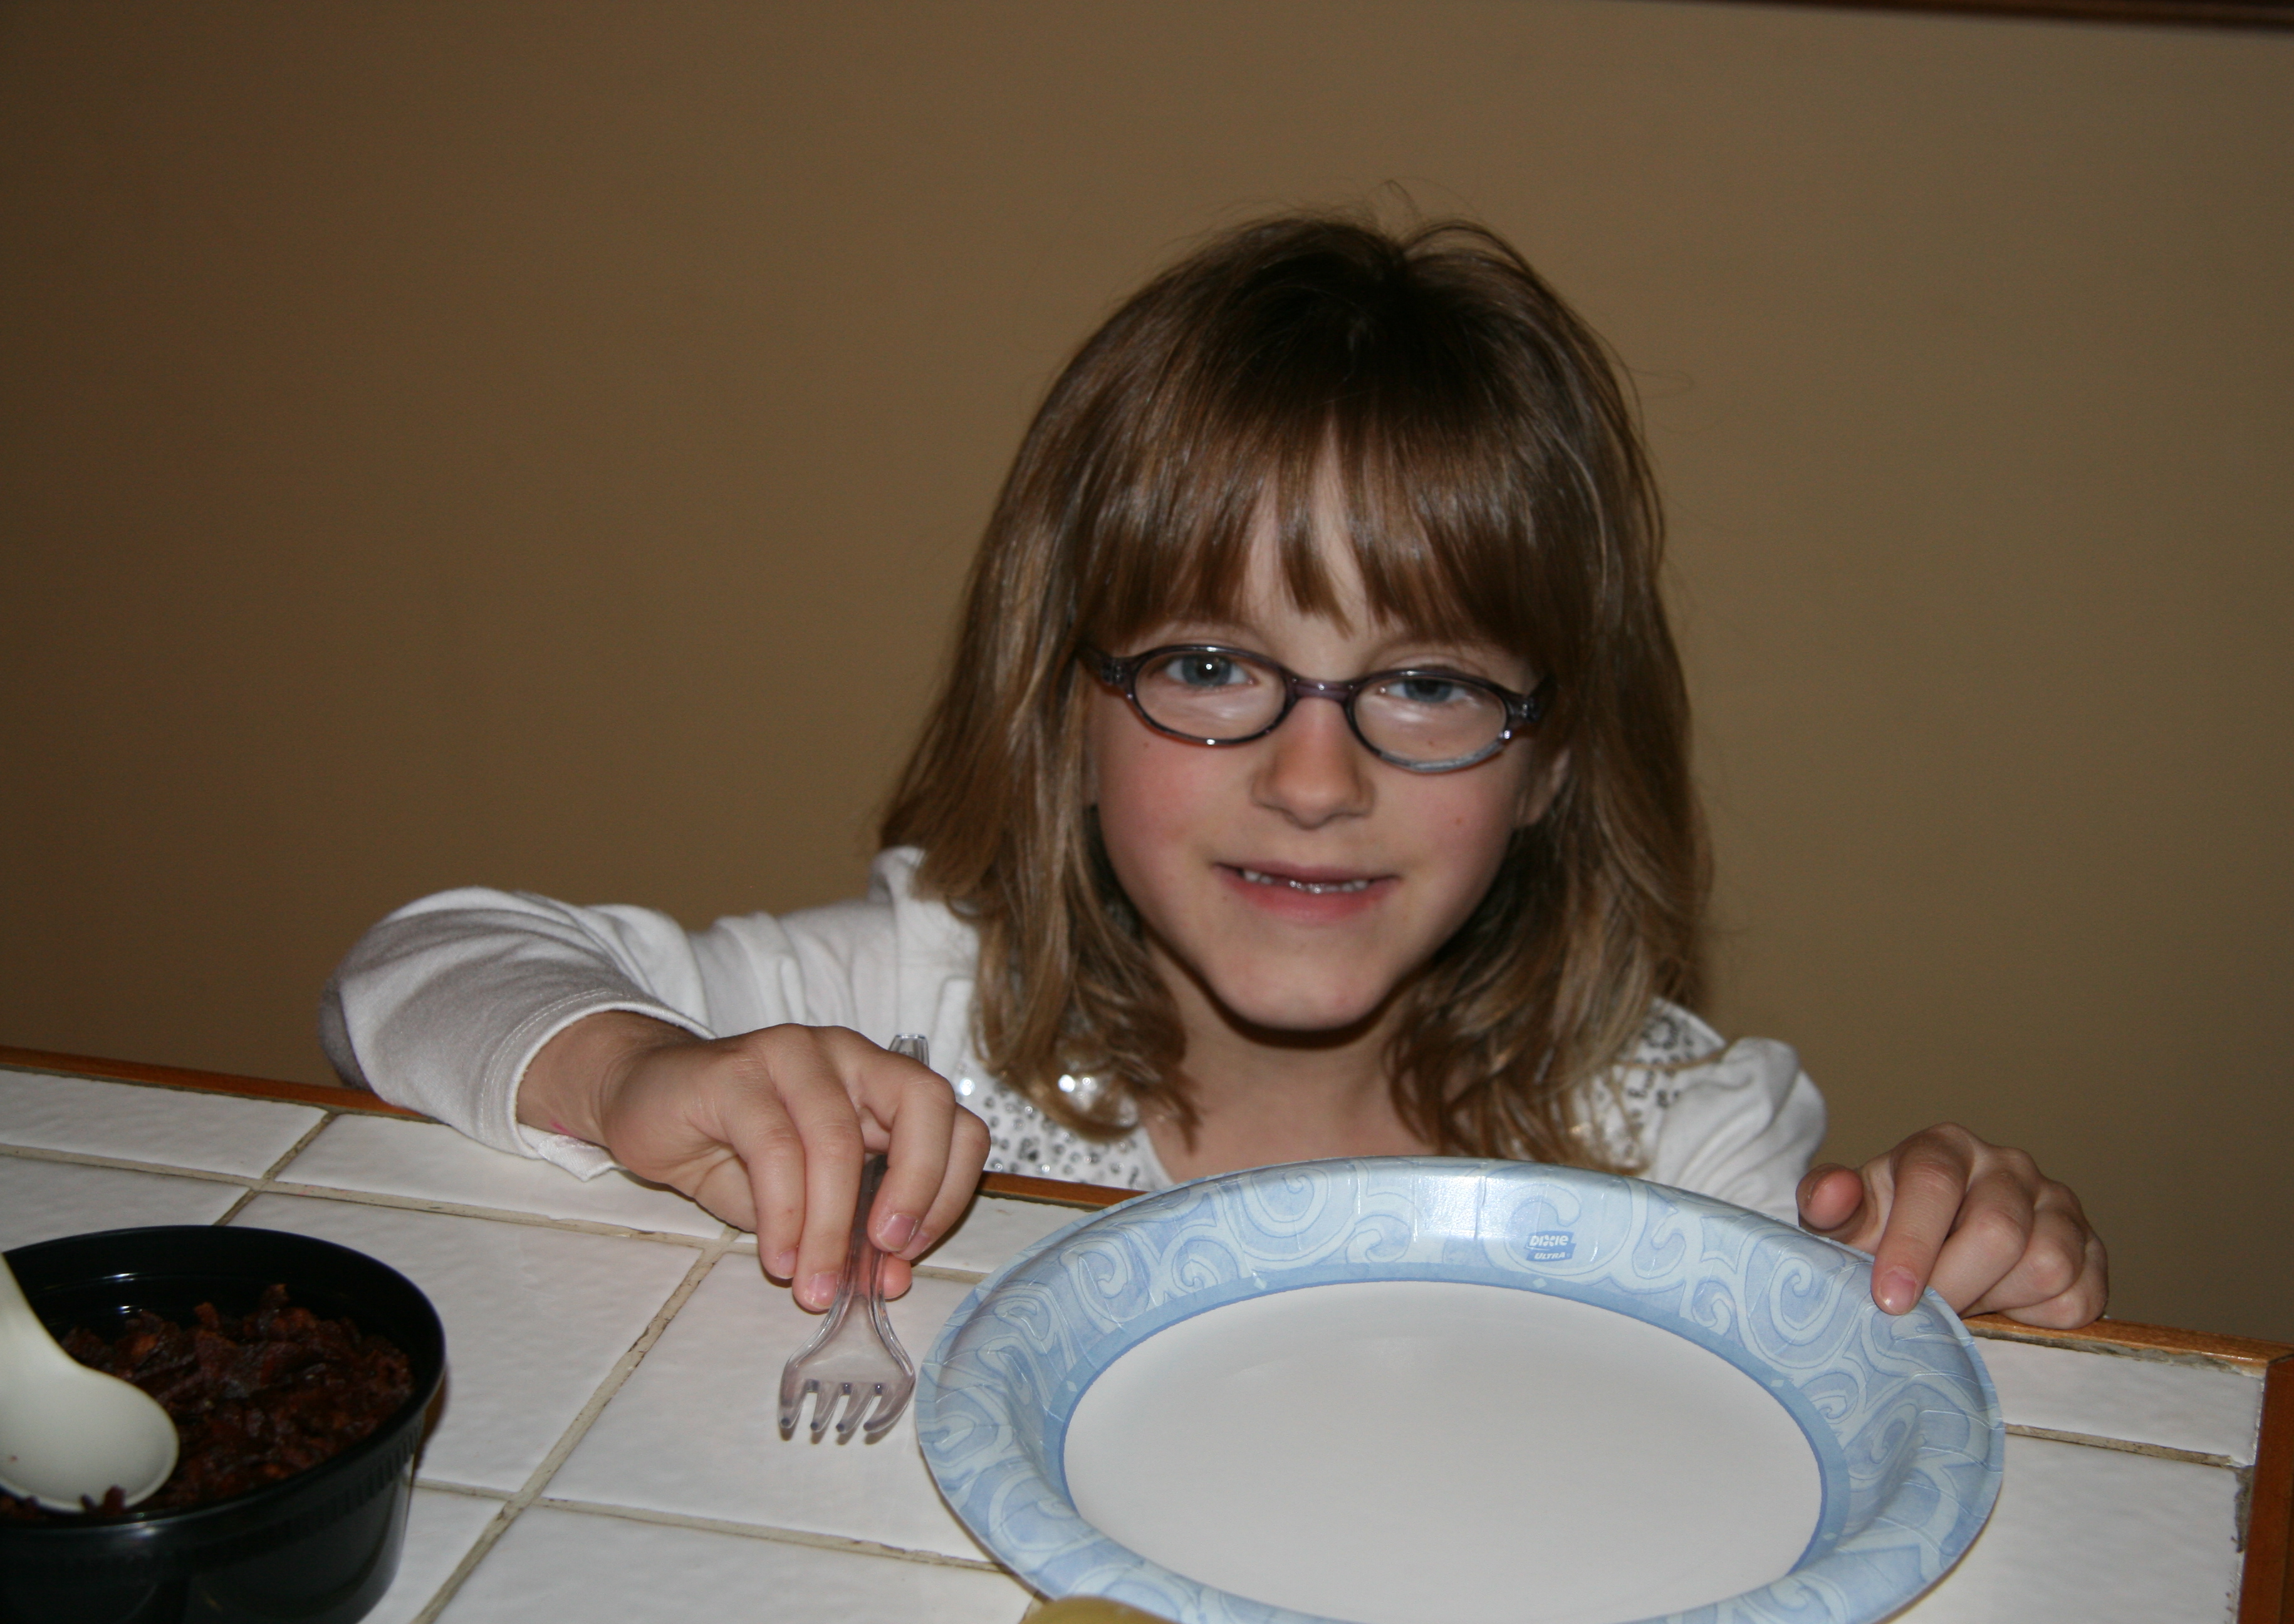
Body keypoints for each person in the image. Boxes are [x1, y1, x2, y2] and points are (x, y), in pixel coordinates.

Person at [323, 212, 2106, 1331]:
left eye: (1425, 684)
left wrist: (1963, 1272)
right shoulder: (924, 1006)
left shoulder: (1681, 1144)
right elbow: (411, 972)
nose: (1313, 778)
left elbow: (1829, 1392)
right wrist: (637, 1067)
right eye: (1207, 668)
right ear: (1070, 704)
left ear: (1554, 756)